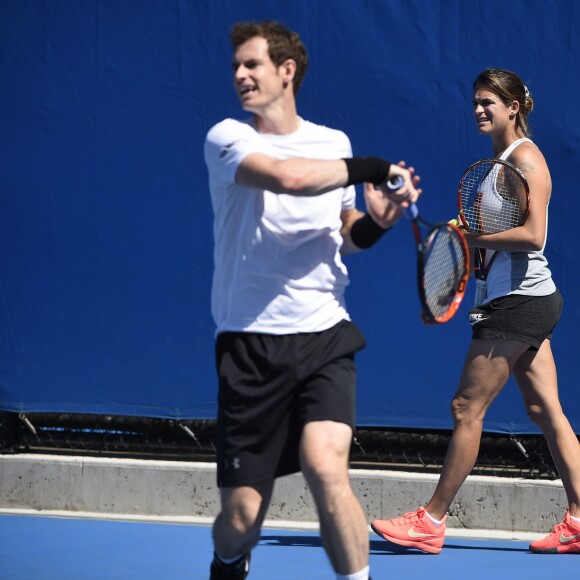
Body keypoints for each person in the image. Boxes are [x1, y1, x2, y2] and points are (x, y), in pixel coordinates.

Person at [203, 19, 420, 580]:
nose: (240, 75)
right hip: (250, 344)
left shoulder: (332, 144)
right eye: (236, 67)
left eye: (252, 64)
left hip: (325, 333)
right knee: (243, 515)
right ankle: (229, 559)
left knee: (327, 469)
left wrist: (376, 222)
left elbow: (344, 230)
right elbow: (287, 178)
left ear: (286, 71)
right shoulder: (228, 137)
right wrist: (375, 168)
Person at [371, 67, 580, 555]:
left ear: (514, 107)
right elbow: (491, 230)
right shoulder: (499, 162)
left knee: (467, 407)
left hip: (517, 301)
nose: (480, 110)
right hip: (521, 297)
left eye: (489, 101)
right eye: (475, 102)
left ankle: (431, 520)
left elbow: (533, 236)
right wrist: (465, 227)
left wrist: (470, 236)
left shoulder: (526, 158)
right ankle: (579, 517)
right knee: (545, 409)